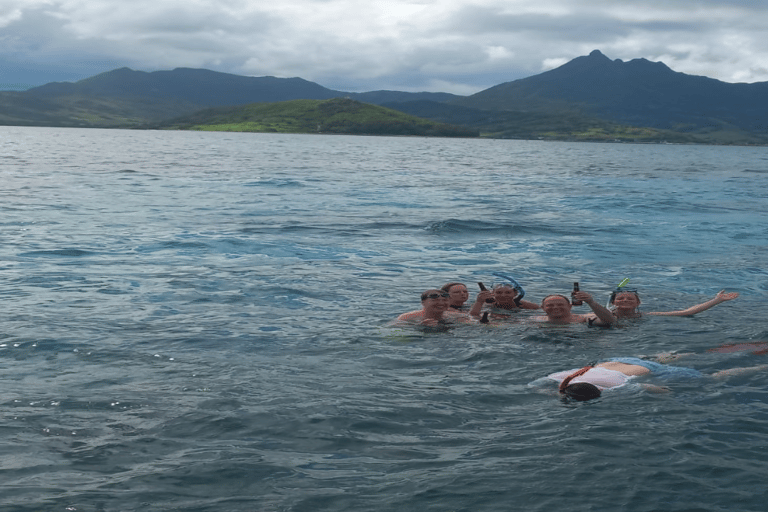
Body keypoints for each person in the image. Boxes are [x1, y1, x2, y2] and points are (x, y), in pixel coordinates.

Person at [535, 355, 768, 401]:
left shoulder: (613, 390)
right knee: (666, 357)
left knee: (712, 378)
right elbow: (540, 387)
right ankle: (697, 352)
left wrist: (671, 395)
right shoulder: (558, 377)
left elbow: (649, 387)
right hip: (615, 359)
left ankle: (762, 366)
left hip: (645, 371)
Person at [608, 289, 739, 319]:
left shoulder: (645, 315)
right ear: (613, 302)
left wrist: (717, 300)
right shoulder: (601, 316)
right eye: (620, 298)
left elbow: (687, 312)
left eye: (630, 299)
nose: (625, 301)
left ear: (638, 303)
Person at [530, 291, 616, 326]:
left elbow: (609, 320)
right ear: (543, 308)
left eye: (560, 305)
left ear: (570, 306)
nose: (555, 307)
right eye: (550, 305)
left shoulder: (584, 318)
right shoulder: (535, 319)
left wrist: (591, 302)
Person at [397, 289, 472, 327]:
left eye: (445, 300)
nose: (441, 303)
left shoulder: (455, 316)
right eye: (435, 300)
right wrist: (419, 327)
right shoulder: (406, 317)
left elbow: (477, 325)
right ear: (423, 303)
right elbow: (394, 333)